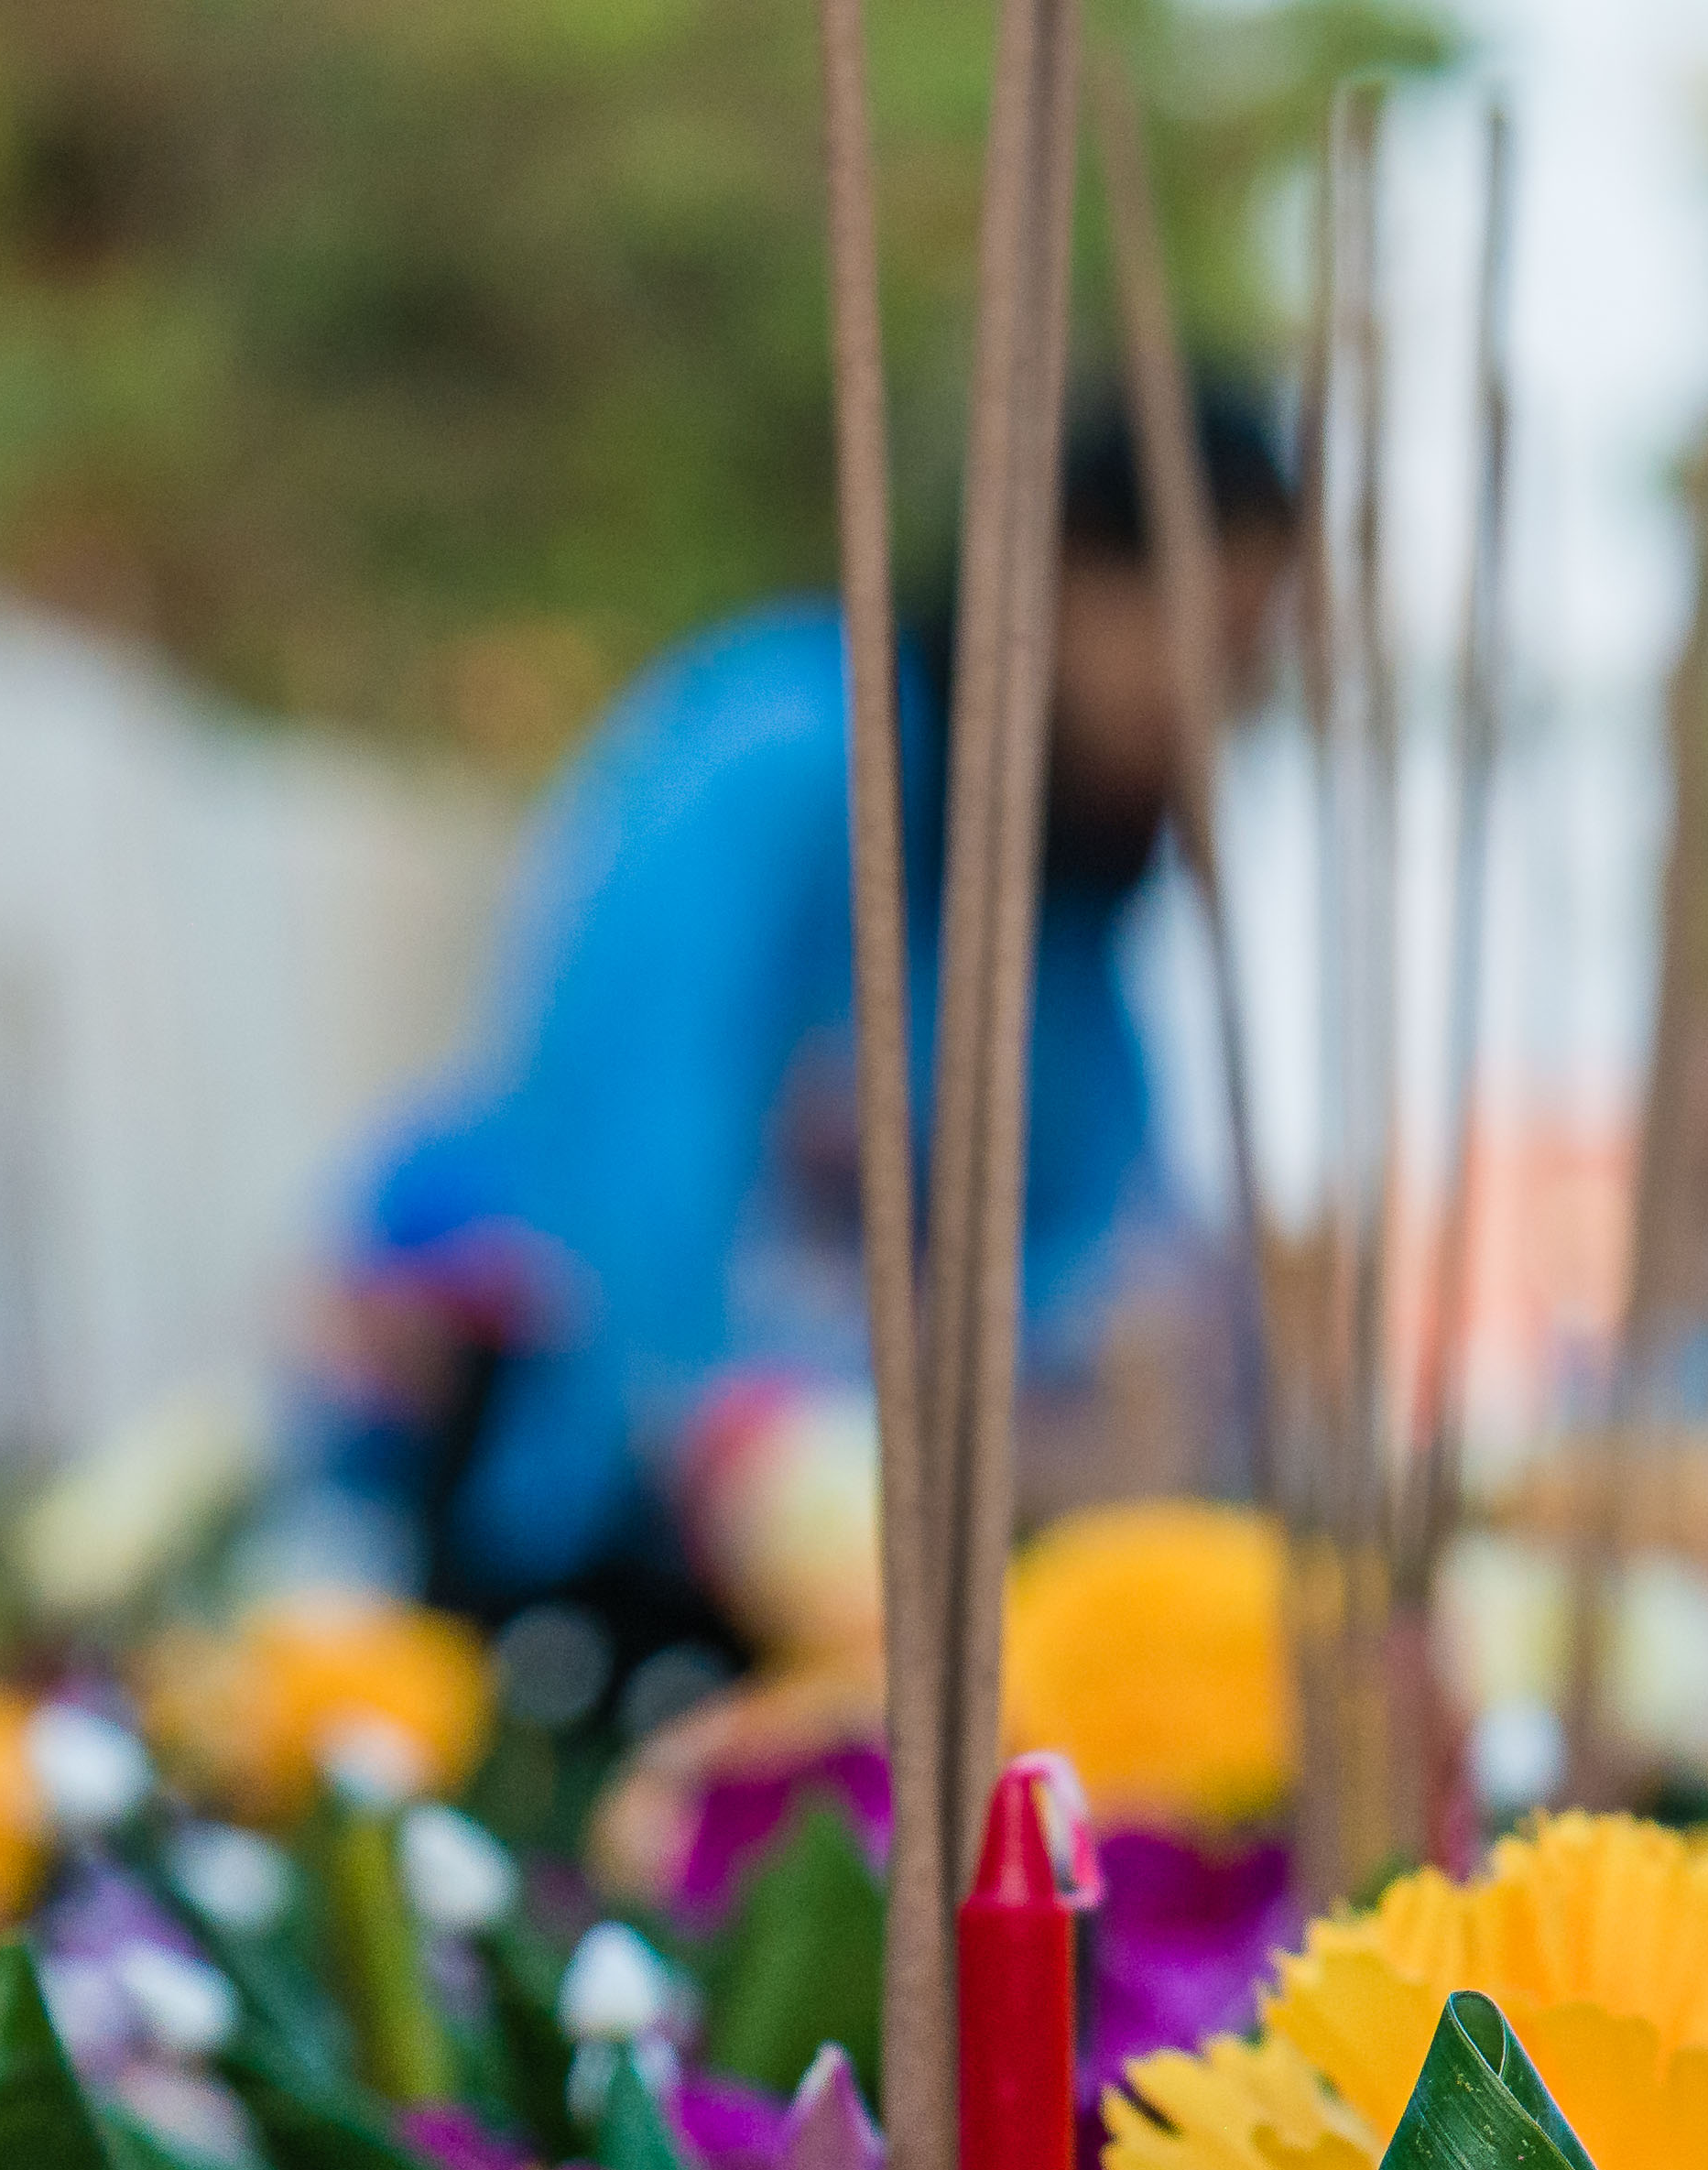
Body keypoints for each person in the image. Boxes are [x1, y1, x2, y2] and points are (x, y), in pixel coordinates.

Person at [328, 384, 1301, 1668]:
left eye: (1248, 671)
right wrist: (923, 1456)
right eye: (1206, 645)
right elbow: (635, 1229)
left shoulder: (1067, 923)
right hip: (597, 1567)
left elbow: (1116, 1271)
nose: (1213, 715)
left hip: (867, 1598)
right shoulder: (788, 762)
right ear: (1069, 582)